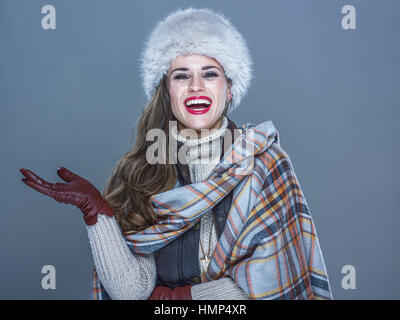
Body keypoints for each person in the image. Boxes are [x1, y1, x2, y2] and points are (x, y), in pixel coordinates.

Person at [20, 8, 333, 300]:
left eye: (210, 74)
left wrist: (183, 298)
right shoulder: (146, 169)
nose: (196, 86)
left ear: (230, 88)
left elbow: (274, 280)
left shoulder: (266, 164)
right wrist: (97, 214)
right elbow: (132, 291)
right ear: (166, 91)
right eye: (181, 75)